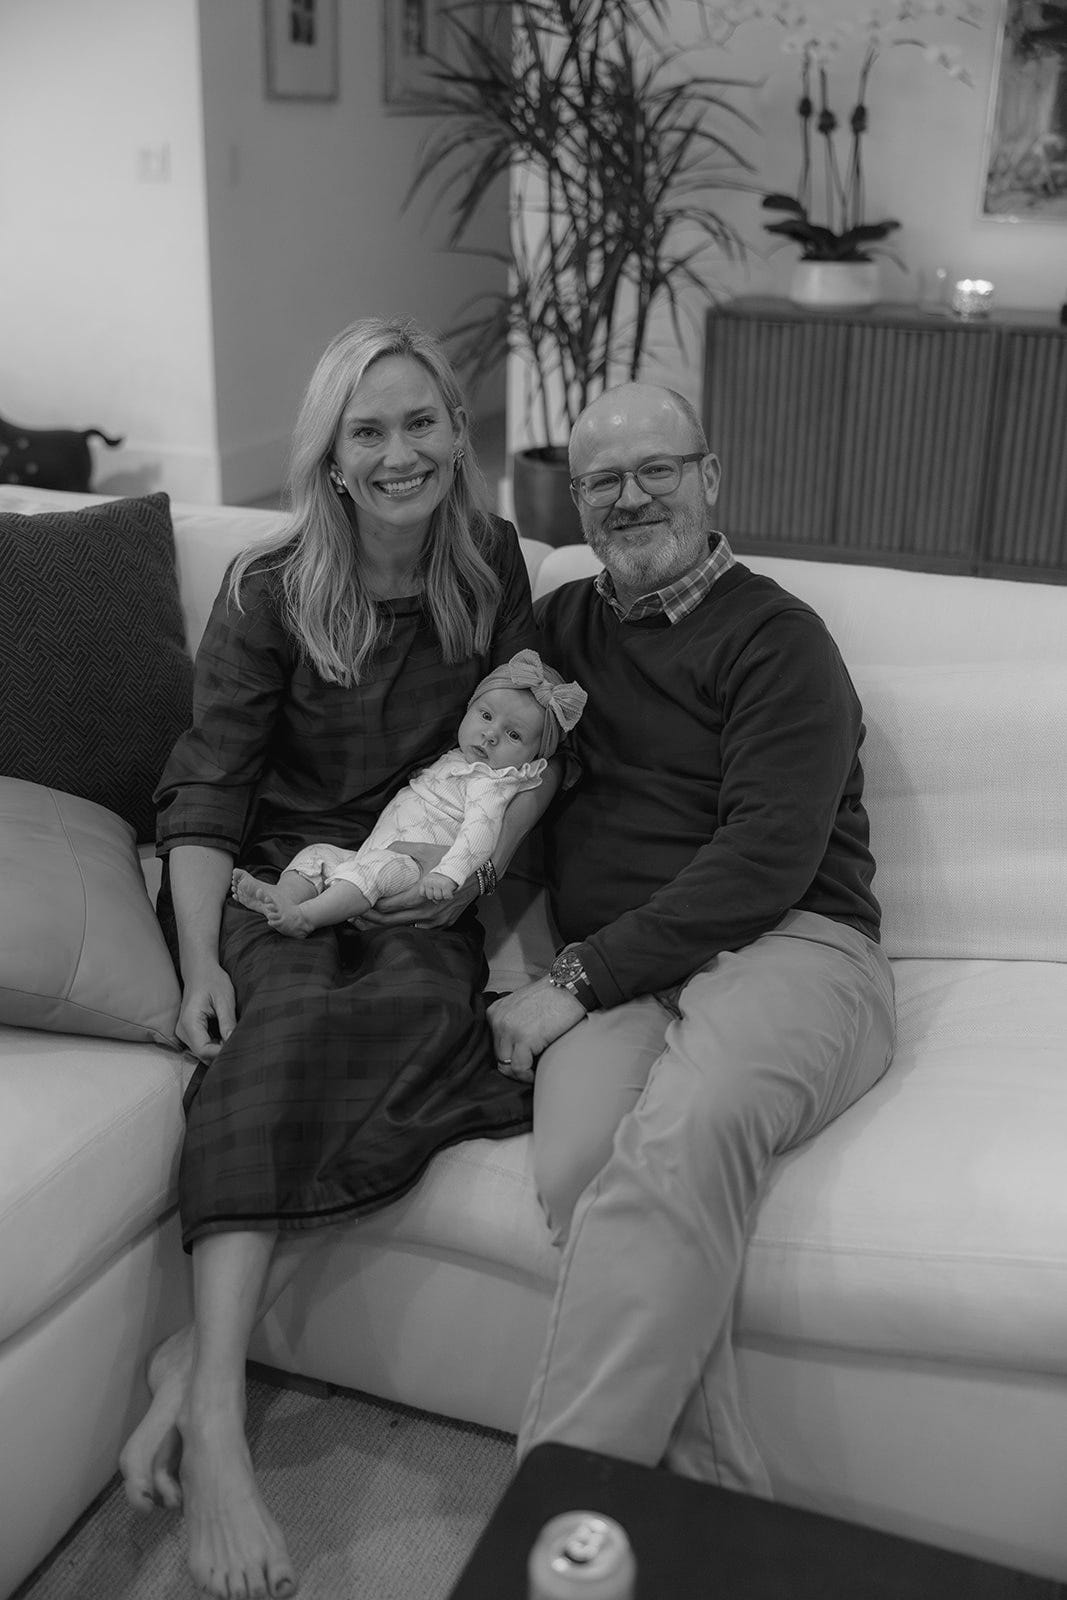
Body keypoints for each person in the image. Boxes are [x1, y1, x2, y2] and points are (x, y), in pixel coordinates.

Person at [119, 316, 560, 1600]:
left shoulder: (491, 561)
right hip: (278, 872)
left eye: (420, 422)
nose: (397, 452)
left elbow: (530, 762)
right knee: (289, 1028)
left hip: (412, 881)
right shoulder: (268, 588)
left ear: (456, 435)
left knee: (431, 1024)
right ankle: (217, 1414)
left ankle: (189, 1355)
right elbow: (207, 785)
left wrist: (469, 880)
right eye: (367, 430)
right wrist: (201, 961)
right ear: (328, 455)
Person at [488, 382, 896, 1496]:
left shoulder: (777, 639)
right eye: (601, 482)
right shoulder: (559, 627)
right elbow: (485, 746)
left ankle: (552, 1514)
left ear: (708, 478)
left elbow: (766, 857)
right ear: (575, 502)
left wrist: (576, 975)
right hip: (625, 967)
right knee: (577, 1165)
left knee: (692, 1122)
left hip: (793, 943)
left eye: (655, 470)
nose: (630, 498)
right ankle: (711, 1509)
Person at [231, 649, 586, 935]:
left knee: (373, 868)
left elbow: (479, 834)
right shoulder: (458, 758)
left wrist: (448, 874)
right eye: (486, 715)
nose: (491, 735)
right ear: (469, 708)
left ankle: (306, 918)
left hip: (413, 870)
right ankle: (283, 897)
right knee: (317, 854)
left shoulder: (491, 783)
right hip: (373, 856)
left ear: (535, 757)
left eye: (514, 735)